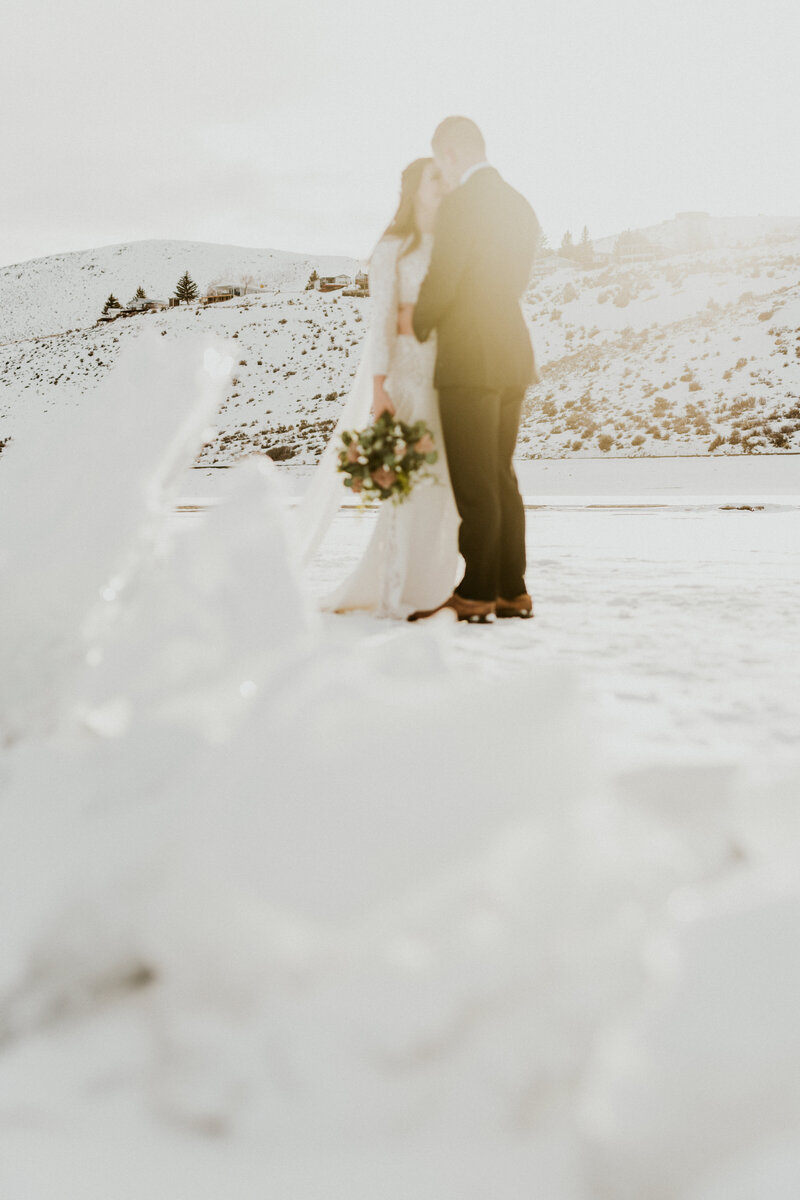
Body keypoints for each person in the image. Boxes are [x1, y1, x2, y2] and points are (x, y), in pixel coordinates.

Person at [294, 158, 460, 618]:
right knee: (414, 478)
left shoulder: (450, 242)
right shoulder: (392, 248)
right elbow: (382, 320)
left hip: (452, 369)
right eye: (435, 178)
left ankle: (437, 584)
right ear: (413, 189)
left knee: (444, 479)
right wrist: (381, 387)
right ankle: (398, 587)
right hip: (409, 370)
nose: (443, 185)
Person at [406, 116, 540, 624]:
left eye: (441, 159)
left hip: (469, 358)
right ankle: (512, 588)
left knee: (474, 479)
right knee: (502, 474)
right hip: (512, 353)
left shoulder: (462, 204)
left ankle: (479, 588)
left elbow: (445, 276)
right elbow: (517, 281)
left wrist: (416, 323)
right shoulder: (519, 203)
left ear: (451, 153)